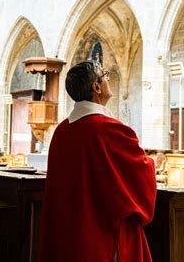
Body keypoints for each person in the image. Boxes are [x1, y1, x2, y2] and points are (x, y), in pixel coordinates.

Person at [38, 60, 157, 262]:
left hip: (69, 236)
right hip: (102, 237)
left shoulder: (61, 131)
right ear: (96, 86)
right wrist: (152, 163)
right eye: (105, 75)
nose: (109, 79)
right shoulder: (108, 129)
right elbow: (141, 173)